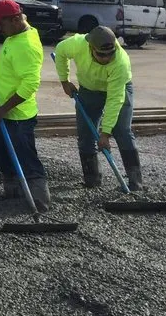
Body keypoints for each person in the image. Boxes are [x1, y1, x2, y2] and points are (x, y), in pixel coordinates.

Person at [54, 25, 141, 191]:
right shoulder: (78, 43)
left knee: (122, 130)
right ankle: (92, 180)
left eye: (110, 54)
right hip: (89, 89)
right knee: (86, 134)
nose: (106, 58)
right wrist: (64, 81)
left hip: (117, 88)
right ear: (90, 47)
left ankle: (135, 182)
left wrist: (105, 133)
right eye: (101, 54)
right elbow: (60, 51)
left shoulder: (121, 63)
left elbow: (115, 100)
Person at [0, 0, 48, 210]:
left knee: (27, 159)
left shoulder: (26, 46)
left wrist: (4, 108)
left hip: (18, 115)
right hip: (5, 112)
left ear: (15, 20)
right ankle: (13, 193)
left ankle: (40, 200)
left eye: (1, 24)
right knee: (2, 157)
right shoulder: (18, 31)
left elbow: (31, 84)